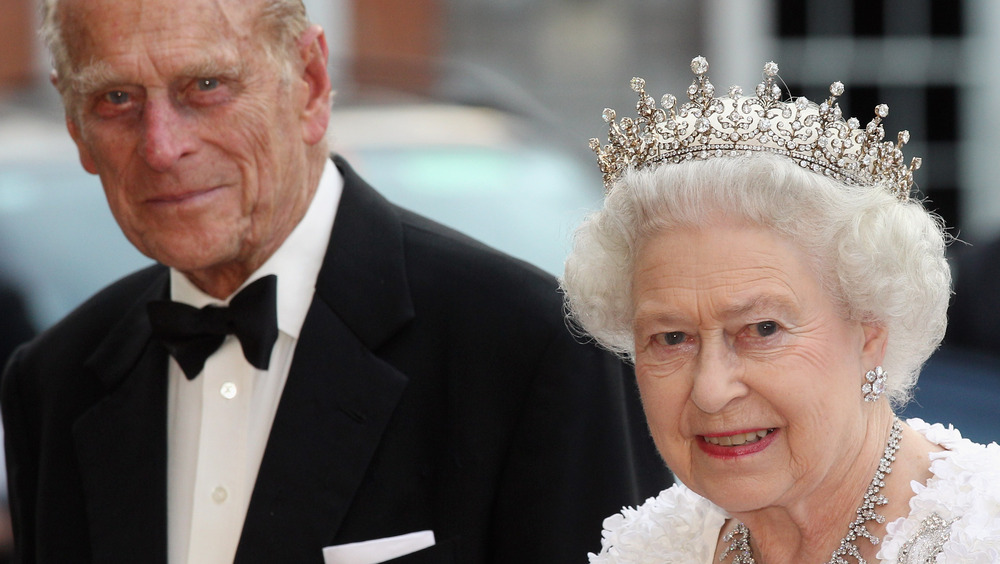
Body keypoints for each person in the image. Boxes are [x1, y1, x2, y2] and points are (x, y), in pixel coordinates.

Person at [0, 1, 667, 562]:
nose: (161, 146)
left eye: (206, 87)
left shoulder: (531, 347)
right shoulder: (54, 382)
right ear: (76, 127)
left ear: (311, 85)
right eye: (116, 99)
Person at [563, 57, 1000, 563]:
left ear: (871, 329)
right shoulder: (652, 549)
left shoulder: (984, 536)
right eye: (671, 338)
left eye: (762, 328)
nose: (709, 391)